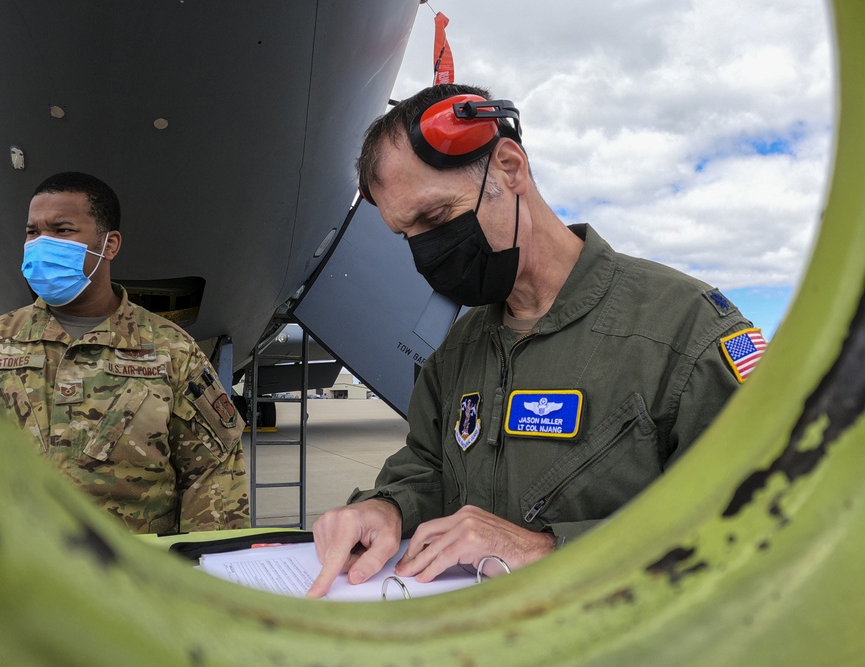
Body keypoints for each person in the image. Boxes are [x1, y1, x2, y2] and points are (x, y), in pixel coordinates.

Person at [307, 84, 762, 597]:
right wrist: (385, 506)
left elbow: (762, 520)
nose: (426, 253)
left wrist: (544, 551)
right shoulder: (459, 347)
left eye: (434, 218)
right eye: (406, 235)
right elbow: (430, 463)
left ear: (509, 166)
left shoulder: (688, 333)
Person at [0, 172, 249, 534]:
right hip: (13, 572)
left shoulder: (170, 349)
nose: (41, 244)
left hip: (131, 576)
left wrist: (207, 570)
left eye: (62, 230)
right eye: (33, 232)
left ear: (109, 244)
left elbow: (212, 472)